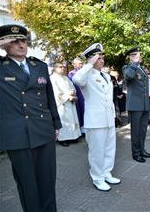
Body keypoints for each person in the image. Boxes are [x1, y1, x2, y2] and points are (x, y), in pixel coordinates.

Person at [0, 24, 61, 211]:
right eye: (14, 41)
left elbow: (49, 97)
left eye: (23, 40)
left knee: (47, 180)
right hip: (17, 135)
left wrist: (56, 123)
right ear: (4, 45)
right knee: (28, 185)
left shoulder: (38, 66)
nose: (21, 45)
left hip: (43, 129)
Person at [72, 43, 120, 191]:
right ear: (91, 59)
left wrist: (113, 116)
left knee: (109, 148)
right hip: (95, 120)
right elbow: (77, 80)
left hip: (108, 118)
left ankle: (106, 173)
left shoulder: (105, 75)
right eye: (99, 58)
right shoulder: (86, 75)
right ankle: (97, 178)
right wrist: (88, 64)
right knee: (96, 151)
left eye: (102, 57)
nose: (102, 60)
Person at [122, 46, 150, 163]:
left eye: (138, 55)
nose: (138, 57)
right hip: (135, 105)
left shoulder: (141, 69)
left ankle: (142, 150)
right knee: (136, 131)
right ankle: (136, 153)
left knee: (143, 130)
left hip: (144, 104)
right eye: (134, 55)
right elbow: (128, 76)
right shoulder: (127, 67)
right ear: (130, 57)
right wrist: (134, 63)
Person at [50, 62, 81, 146]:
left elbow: (72, 87)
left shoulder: (66, 78)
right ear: (54, 68)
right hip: (62, 104)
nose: (63, 68)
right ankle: (63, 139)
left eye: (63, 67)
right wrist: (68, 96)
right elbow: (55, 92)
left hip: (70, 102)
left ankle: (73, 136)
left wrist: (73, 94)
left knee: (72, 119)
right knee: (64, 121)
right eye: (60, 67)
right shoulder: (52, 78)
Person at [68, 57, 85, 136]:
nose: (81, 65)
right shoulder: (71, 74)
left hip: (84, 95)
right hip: (78, 95)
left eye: (81, 63)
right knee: (79, 112)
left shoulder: (83, 72)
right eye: (79, 63)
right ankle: (81, 129)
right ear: (74, 64)